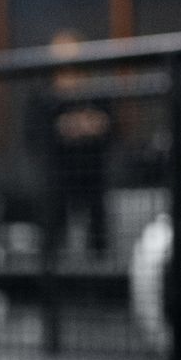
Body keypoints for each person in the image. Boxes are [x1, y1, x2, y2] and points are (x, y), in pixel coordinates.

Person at [35, 31, 113, 261]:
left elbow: (111, 127)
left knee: (98, 237)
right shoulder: (41, 96)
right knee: (52, 238)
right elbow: (35, 137)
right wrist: (63, 128)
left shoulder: (98, 91)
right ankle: (50, 291)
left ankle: (100, 290)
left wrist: (91, 126)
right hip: (56, 176)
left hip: (93, 174)